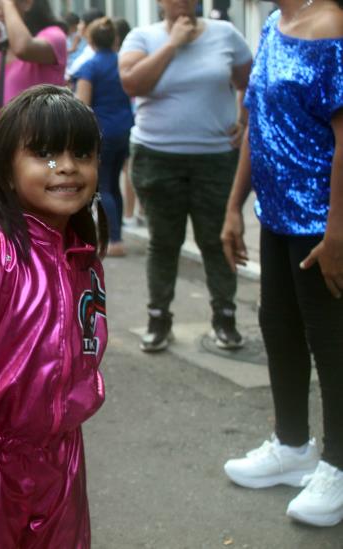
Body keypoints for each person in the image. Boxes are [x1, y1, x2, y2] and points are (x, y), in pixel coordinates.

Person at [0, 85, 108, 548]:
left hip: (62, 463)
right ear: (7, 172)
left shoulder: (84, 256)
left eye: (82, 153)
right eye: (45, 154)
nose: (67, 166)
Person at [221, 0, 343, 528]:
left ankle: (338, 464)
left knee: (332, 344)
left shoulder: (333, 26)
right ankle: (293, 446)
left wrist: (339, 230)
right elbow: (258, 120)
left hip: (321, 221)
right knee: (280, 328)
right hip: (275, 216)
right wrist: (233, 206)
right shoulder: (274, 24)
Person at [119, 0, 252, 352]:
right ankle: (158, 317)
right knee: (164, 241)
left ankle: (225, 317)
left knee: (216, 240)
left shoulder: (225, 34)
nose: (183, 1)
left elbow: (250, 82)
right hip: (158, 157)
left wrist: (243, 120)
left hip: (216, 157)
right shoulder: (141, 37)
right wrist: (173, 44)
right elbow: (133, 84)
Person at [0, 0, 68, 142]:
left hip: (40, 145)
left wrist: (8, 4)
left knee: (52, 165)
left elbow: (22, 48)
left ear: (28, 3)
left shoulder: (53, 36)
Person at [75, 17, 134, 257]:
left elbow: (82, 104)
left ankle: (114, 239)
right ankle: (118, 235)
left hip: (102, 132)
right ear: (116, 39)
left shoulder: (89, 67)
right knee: (115, 187)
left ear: (90, 39)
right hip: (125, 128)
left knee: (105, 186)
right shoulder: (124, 63)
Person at [65, 8, 105, 81]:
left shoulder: (93, 53)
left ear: (89, 27)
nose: (78, 26)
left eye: (81, 23)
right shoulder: (90, 48)